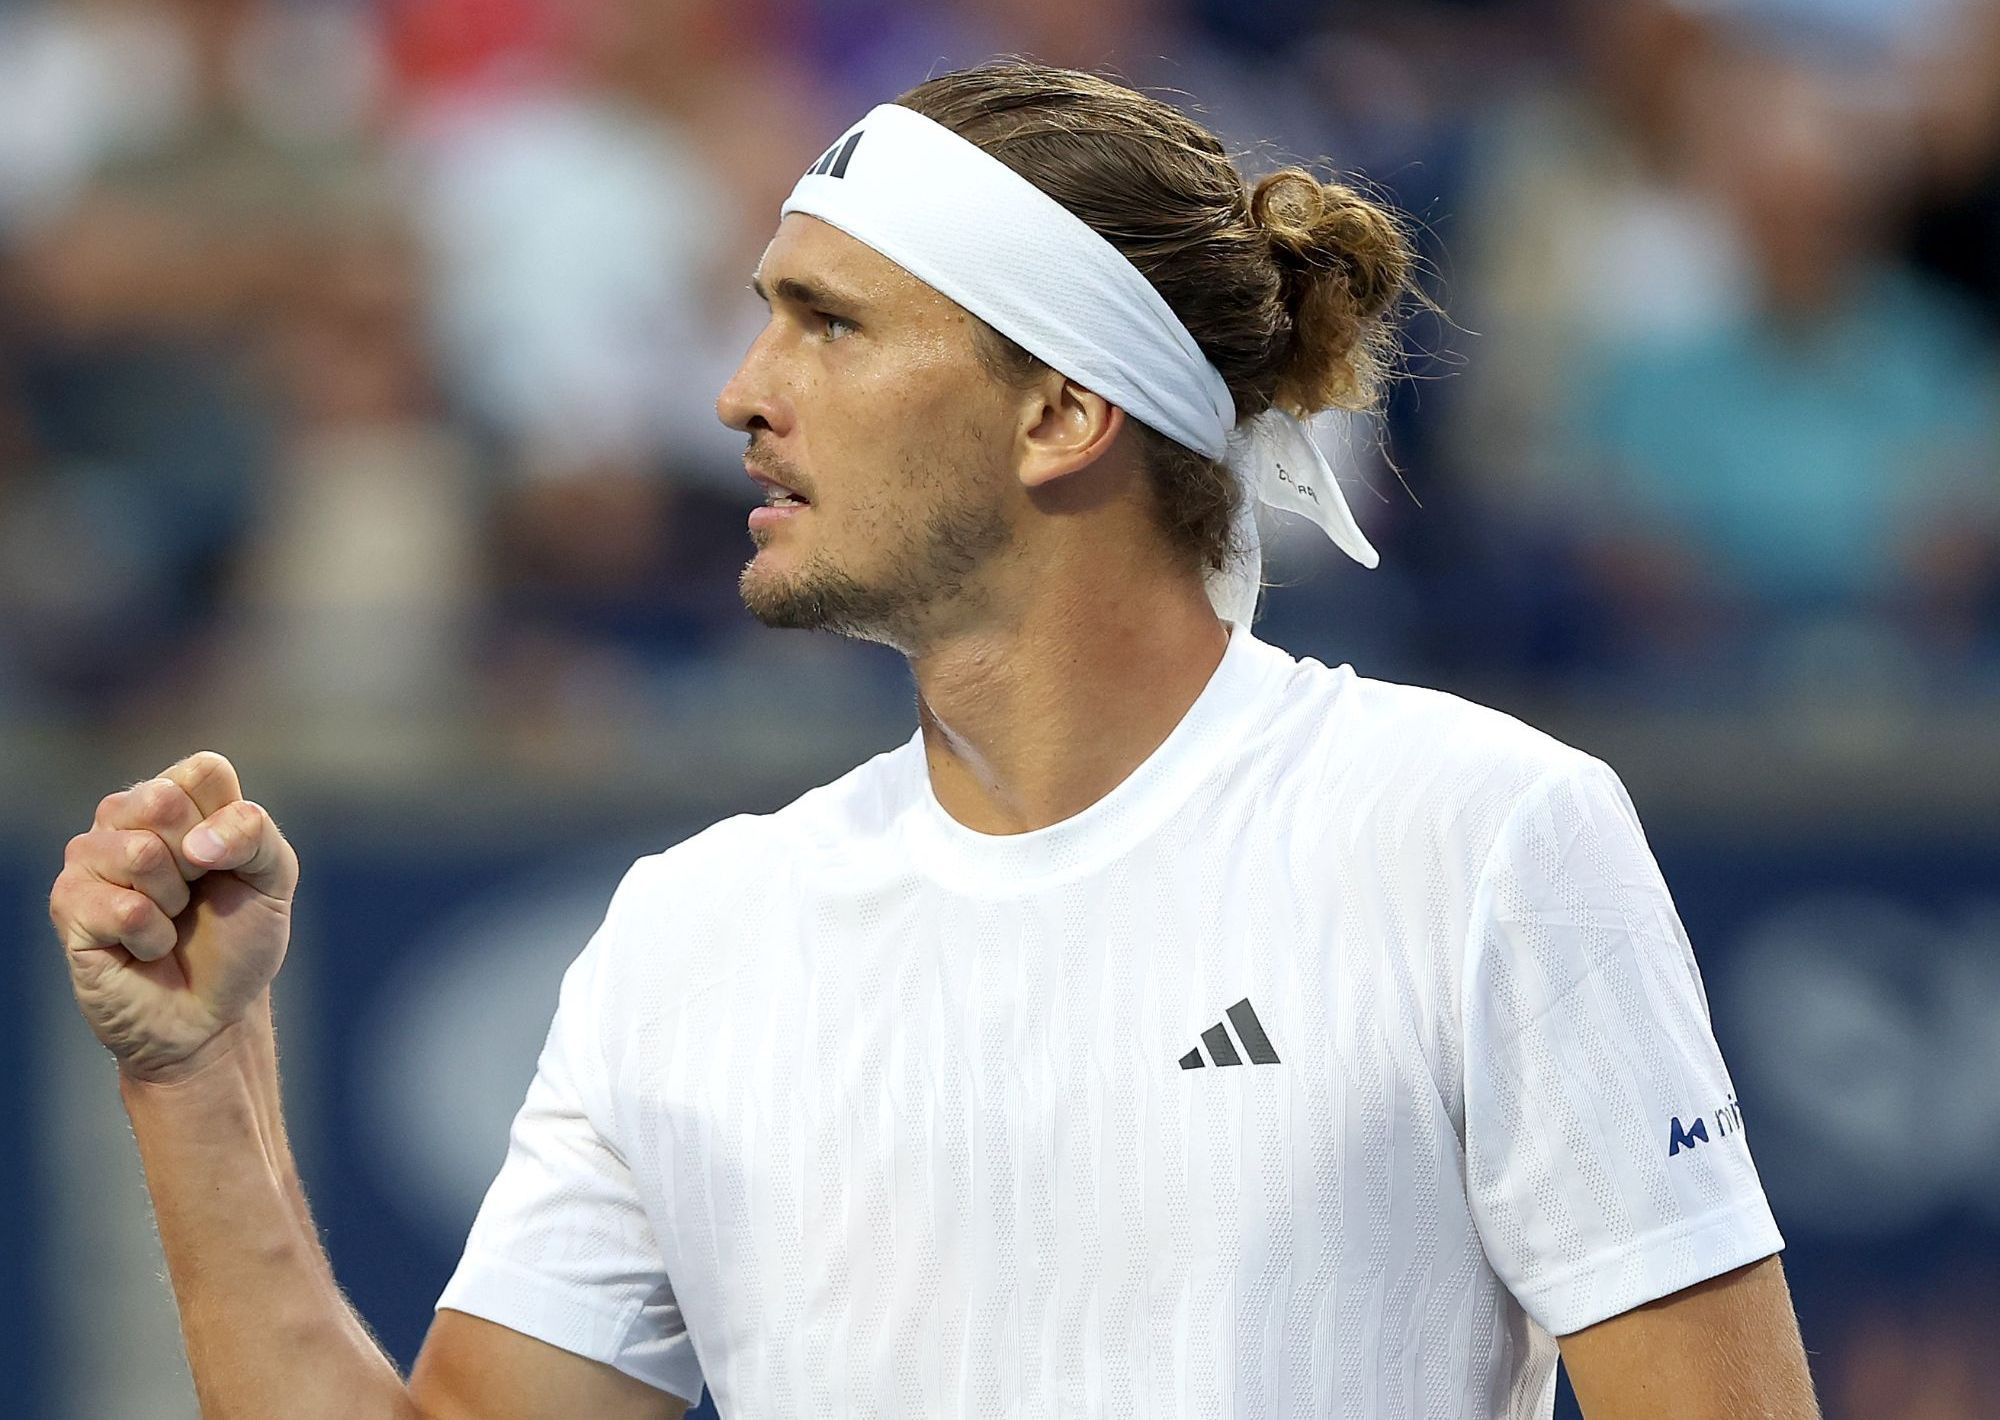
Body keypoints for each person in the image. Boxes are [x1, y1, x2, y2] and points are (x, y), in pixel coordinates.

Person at [49, 60, 1821, 1420]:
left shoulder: (1485, 833)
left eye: (828, 323)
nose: (742, 390)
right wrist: (198, 1083)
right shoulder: (689, 933)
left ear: (1060, 410)